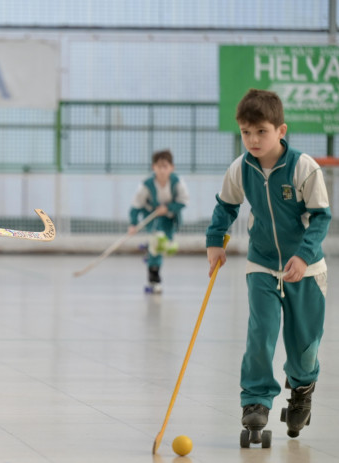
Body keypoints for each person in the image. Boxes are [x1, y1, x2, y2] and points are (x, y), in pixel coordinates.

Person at [206, 89, 330, 442]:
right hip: (261, 264)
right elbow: (225, 207)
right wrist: (215, 241)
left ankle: (302, 388)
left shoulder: (303, 167)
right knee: (261, 333)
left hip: (305, 269)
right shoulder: (241, 168)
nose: (253, 140)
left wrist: (304, 255)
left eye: (261, 131)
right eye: (246, 132)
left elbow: (321, 217)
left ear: (281, 130)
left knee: (304, 344)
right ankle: (256, 401)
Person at [128, 149, 189, 294]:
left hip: (170, 218)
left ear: (171, 168)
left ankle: (148, 249)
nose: (162, 170)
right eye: (158, 166)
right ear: (153, 167)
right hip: (152, 217)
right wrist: (133, 223)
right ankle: (154, 279)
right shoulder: (146, 184)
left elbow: (184, 201)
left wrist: (168, 208)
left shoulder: (177, 182)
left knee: (167, 246)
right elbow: (136, 205)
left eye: (165, 166)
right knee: (157, 243)